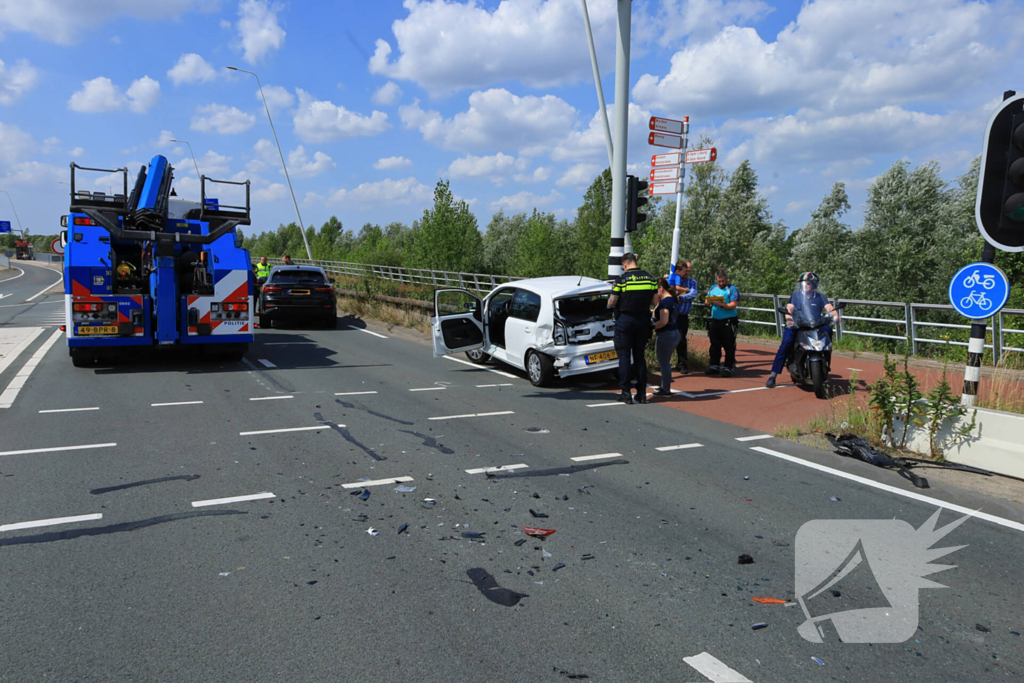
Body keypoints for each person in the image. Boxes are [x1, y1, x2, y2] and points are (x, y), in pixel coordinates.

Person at [766, 272, 841, 388]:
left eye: (809, 283)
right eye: (804, 283)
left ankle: (825, 359)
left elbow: (829, 308)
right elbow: (789, 308)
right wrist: (789, 319)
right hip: (798, 324)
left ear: (814, 285)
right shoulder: (796, 295)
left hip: (815, 324)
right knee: (786, 344)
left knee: (828, 330)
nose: (805, 285)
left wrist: (836, 316)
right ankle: (773, 375)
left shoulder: (820, 296)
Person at [607, 253, 659, 404]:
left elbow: (612, 302)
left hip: (625, 320)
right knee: (639, 356)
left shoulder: (621, 280)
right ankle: (642, 393)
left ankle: (626, 393)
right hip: (643, 320)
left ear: (624, 264)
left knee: (624, 357)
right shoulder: (650, 279)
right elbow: (655, 302)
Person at [706, 269, 739, 377]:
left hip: (728, 321)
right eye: (719, 281)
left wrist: (720, 304)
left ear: (726, 279)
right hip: (715, 320)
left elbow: (733, 305)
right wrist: (710, 301)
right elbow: (706, 301)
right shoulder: (713, 288)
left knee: (729, 345)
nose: (721, 283)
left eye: (723, 281)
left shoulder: (732, 289)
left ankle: (729, 366)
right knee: (714, 343)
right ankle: (714, 364)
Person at [652, 277, 681, 398]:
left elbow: (663, 321)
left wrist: (653, 327)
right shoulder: (673, 300)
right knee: (666, 361)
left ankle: (666, 389)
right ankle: (665, 385)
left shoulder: (665, 302)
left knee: (664, 362)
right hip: (675, 332)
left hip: (666, 333)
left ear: (661, 288)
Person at [668, 260, 698, 374]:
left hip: (682, 316)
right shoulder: (673, 279)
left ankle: (682, 364)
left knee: (681, 339)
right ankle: (667, 363)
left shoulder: (692, 282)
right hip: (671, 315)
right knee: (669, 339)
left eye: (689, 271)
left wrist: (682, 295)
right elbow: (668, 290)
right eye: (685, 271)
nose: (687, 273)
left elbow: (693, 294)